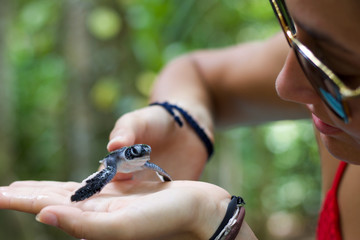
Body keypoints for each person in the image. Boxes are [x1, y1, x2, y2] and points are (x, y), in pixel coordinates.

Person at [1, 0, 359, 239]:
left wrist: (217, 221)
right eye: (290, 30)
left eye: (334, 69)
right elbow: (193, 72)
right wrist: (183, 119)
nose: (284, 83)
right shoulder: (329, 30)